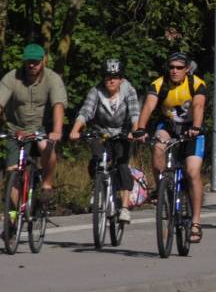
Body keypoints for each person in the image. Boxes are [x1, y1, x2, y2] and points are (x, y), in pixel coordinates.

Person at [135, 51, 207, 244]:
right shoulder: (159, 84)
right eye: (172, 67)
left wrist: (196, 127)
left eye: (179, 68)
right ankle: (162, 189)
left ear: (187, 69)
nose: (174, 71)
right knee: (158, 146)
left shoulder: (196, 84)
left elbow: (199, 106)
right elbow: (149, 107)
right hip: (168, 127)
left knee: (192, 172)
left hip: (192, 129)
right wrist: (140, 129)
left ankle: (196, 223)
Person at [68, 59, 140, 222]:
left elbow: (135, 113)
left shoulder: (129, 91)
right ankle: (99, 188)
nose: (111, 80)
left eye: (115, 77)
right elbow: (86, 111)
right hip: (100, 132)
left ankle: (125, 207)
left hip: (123, 133)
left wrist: (134, 132)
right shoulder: (96, 91)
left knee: (122, 165)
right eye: (108, 76)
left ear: (121, 78)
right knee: (96, 160)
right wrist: (75, 130)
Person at [0, 43, 67, 209]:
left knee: (47, 147)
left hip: (39, 128)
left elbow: (58, 105)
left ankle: (46, 185)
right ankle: (15, 217)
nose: (31, 65)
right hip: (15, 128)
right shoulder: (11, 78)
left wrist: (57, 131)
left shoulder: (52, 78)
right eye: (28, 61)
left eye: (35, 62)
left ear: (43, 61)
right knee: (12, 172)